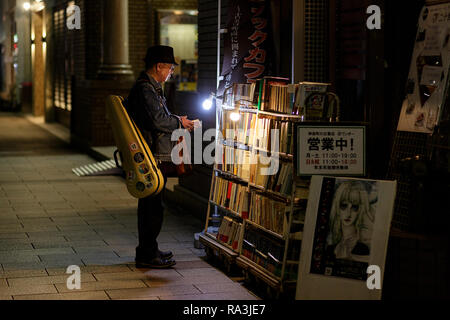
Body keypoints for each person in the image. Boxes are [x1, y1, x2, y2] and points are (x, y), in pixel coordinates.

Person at [125, 45, 194, 268]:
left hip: (153, 153)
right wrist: (179, 122)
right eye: (170, 67)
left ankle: (149, 249)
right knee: (152, 207)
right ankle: (147, 254)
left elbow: (157, 116)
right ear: (159, 66)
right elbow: (156, 121)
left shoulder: (150, 88)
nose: (171, 72)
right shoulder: (146, 90)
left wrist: (174, 118)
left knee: (153, 206)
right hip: (152, 155)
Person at [326, 181, 374, 261]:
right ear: (337, 207)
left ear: (360, 210)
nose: (348, 213)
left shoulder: (363, 248)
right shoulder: (331, 249)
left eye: (354, 207)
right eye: (344, 205)